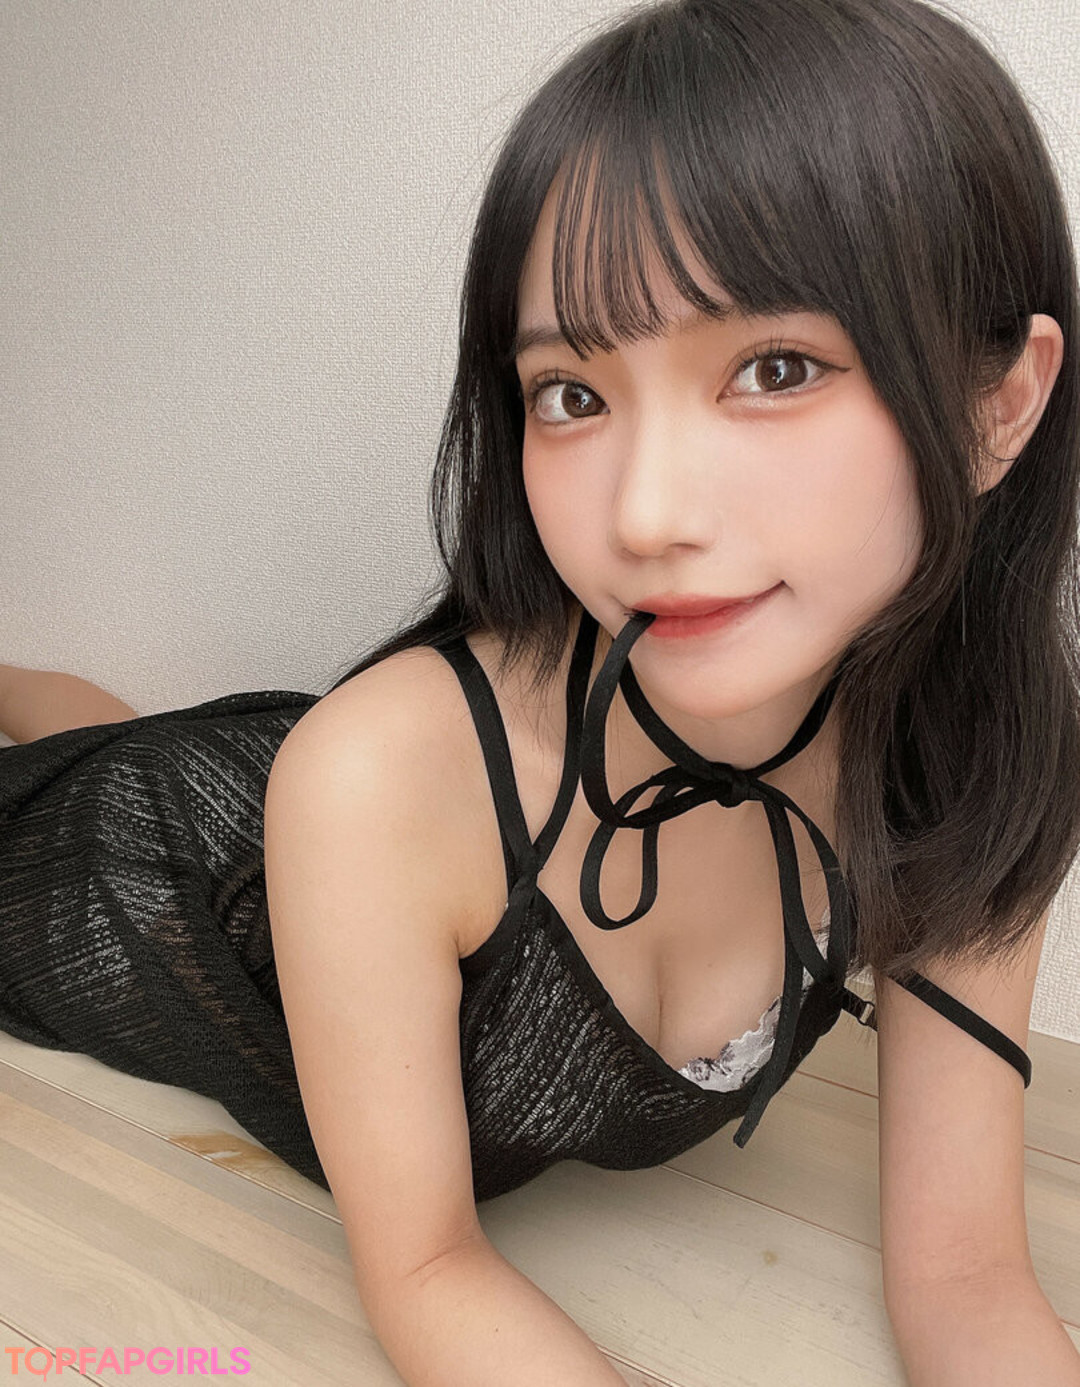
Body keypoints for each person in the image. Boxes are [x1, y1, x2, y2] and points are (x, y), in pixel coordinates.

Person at [2, 0, 1079, 1381]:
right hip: (140, 866)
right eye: (571, 392)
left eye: (775, 369)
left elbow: (968, 1273)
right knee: (106, 801)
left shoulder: (977, 758)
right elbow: (428, 1272)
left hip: (301, 813)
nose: (645, 515)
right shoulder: (381, 779)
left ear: (1001, 405)